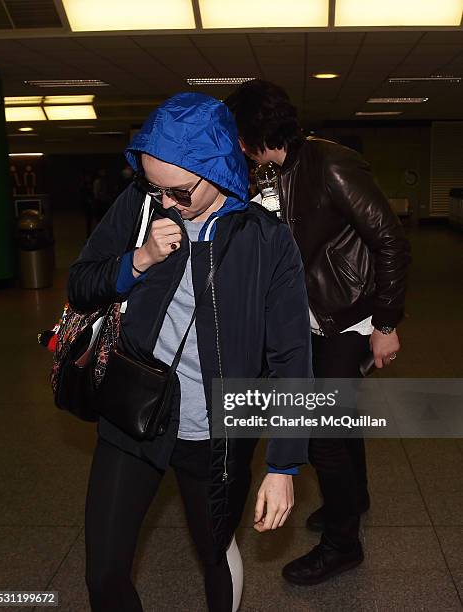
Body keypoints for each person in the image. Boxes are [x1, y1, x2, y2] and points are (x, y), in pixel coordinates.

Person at [67, 92, 312, 612]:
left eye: (178, 192)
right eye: (153, 188)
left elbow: (292, 356)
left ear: (218, 170)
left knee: (215, 552)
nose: (164, 203)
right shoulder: (139, 206)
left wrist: (284, 465)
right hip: (133, 412)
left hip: (215, 432)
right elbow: (81, 284)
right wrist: (139, 258)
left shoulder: (266, 240)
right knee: (103, 570)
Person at [225, 80, 411, 585]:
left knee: (323, 433)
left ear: (252, 132)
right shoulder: (280, 170)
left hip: (348, 315)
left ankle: (343, 545)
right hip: (314, 317)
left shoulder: (330, 163)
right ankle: (351, 500)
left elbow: (390, 240)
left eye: (238, 134)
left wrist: (386, 323)